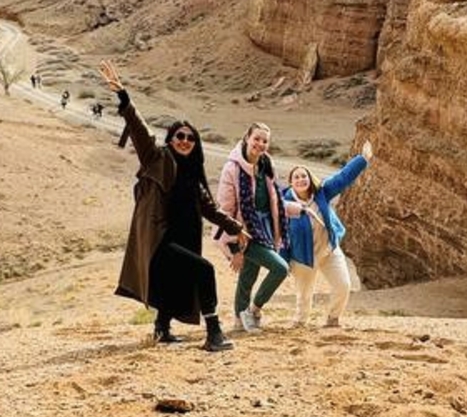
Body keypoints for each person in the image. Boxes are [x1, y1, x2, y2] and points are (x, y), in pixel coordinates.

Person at [99, 59, 247, 351]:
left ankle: (161, 329)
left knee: (174, 282)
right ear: (171, 138)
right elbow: (140, 132)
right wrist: (124, 97)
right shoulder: (158, 158)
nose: (185, 141)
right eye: (180, 136)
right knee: (204, 271)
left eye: (191, 138)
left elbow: (209, 209)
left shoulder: (192, 174)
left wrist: (237, 227)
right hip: (158, 239)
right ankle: (214, 333)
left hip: (182, 238)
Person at [216, 122, 296, 333]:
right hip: (243, 232)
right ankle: (253, 311)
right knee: (280, 268)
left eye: (265, 141)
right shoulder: (232, 168)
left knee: (248, 277)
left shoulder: (266, 165)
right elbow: (225, 211)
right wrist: (235, 248)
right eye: (256, 139)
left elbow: (275, 203)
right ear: (247, 139)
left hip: (265, 230)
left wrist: (301, 209)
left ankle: (239, 321)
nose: (260, 144)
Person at [282, 141, 372, 327]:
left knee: (343, 285)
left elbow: (342, 178)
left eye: (304, 176)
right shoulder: (284, 204)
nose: (301, 179)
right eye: (296, 177)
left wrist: (362, 159)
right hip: (303, 258)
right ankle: (300, 322)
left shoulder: (322, 192)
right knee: (304, 296)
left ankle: (333, 319)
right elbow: (281, 235)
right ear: (291, 182)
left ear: (309, 178)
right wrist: (284, 259)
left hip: (329, 250)